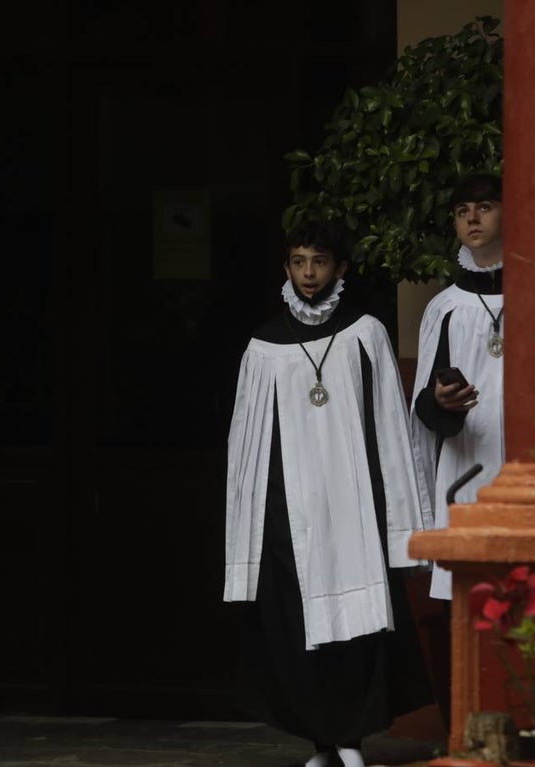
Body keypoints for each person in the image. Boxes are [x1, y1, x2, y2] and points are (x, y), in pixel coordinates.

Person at [224, 220, 433, 767]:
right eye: (298, 261)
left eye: (319, 261)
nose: (308, 273)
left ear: (339, 268)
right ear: (287, 269)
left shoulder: (365, 333)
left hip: (352, 503)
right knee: (295, 626)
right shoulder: (264, 346)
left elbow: (389, 424)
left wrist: (400, 514)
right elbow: (247, 444)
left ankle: (350, 739)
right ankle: (321, 741)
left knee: (354, 627)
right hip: (288, 510)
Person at [410, 172, 505, 602]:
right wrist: (441, 401)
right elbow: (423, 410)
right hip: (467, 465)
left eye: (484, 208)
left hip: (526, 463)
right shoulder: (444, 308)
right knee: (472, 595)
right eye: (462, 212)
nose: (473, 219)